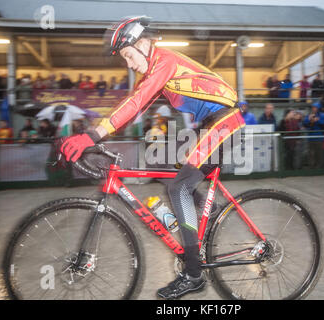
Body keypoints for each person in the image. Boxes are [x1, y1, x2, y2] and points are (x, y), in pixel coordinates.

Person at [60, 16, 244, 300]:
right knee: (167, 170)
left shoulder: (165, 61)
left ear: (143, 43)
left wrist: (93, 135)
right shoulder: (156, 69)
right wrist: (101, 135)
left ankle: (194, 274)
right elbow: (135, 105)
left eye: (128, 55)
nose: (129, 64)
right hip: (209, 124)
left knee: (178, 186)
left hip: (224, 120)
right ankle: (212, 211)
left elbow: (136, 102)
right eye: (125, 59)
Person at [302, 102, 324, 169]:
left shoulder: (322, 115)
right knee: (311, 153)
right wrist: (310, 120)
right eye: (313, 107)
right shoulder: (309, 115)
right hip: (311, 137)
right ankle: (311, 166)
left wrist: (317, 120)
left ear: (318, 108)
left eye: (315, 107)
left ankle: (320, 166)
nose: (314, 109)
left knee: (319, 153)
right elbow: (305, 124)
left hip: (319, 137)